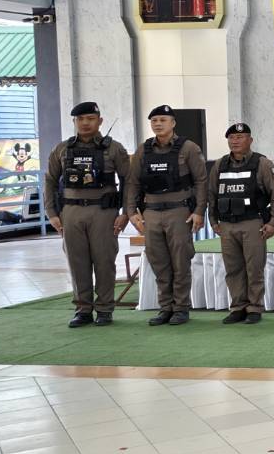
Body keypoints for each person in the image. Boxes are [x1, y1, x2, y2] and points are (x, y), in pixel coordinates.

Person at [44, 101, 131, 327]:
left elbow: (129, 181)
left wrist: (126, 213)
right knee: (77, 263)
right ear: (74, 121)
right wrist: (51, 213)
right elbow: (50, 181)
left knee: (104, 261)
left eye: (90, 119)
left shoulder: (114, 149)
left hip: (103, 212)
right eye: (80, 119)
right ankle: (83, 309)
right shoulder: (62, 149)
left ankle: (104, 309)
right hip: (71, 212)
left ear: (99, 121)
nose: (85, 123)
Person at [127, 105, 207, 326]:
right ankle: (165, 308)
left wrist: (199, 211)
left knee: (180, 261)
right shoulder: (144, 150)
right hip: (151, 212)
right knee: (158, 261)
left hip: (179, 211)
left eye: (163, 120)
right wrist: (131, 211)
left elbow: (201, 181)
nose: (158, 124)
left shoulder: (188, 148)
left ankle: (181, 308)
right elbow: (133, 183)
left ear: (173, 123)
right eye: (154, 121)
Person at [209, 122, 274, 325]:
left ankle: (254, 308)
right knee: (233, 269)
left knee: (254, 268)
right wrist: (213, 221)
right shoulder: (220, 165)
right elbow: (211, 195)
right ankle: (238, 307)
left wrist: (273, 223)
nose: (235, 141)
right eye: (231, 138)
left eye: (240, 137)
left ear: (250, 140)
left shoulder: (262, 164)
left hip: (252, 223)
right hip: (227, 225)